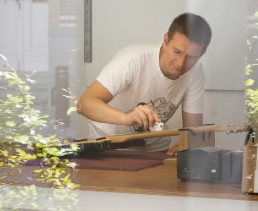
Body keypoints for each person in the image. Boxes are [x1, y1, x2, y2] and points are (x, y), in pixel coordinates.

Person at [77, 12, 212, 154]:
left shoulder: (195, 72)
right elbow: (84, 104)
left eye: (191, 57)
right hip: (109, 147)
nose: (180, 63)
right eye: (177, 52)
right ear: (165, 40)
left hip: (155, 148)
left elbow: (193, 132)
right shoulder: (132, 60)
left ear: (201, 54)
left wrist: (188, 143)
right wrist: (126, 118)